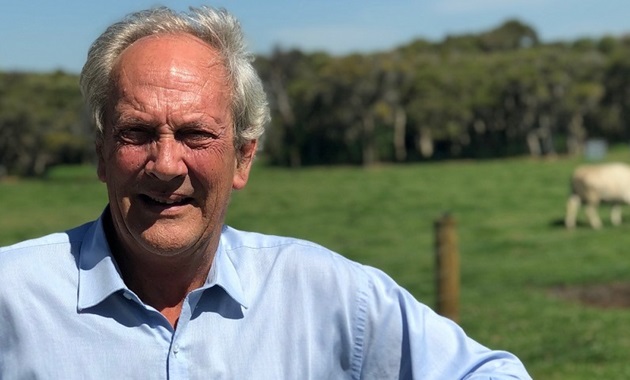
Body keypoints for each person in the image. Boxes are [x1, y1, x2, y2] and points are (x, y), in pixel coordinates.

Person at [0, 6, 531, 379]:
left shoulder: (327, 295)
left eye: (196, 135)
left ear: (243, 157)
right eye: (135, 133)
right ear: (100, 154)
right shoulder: (14, 299)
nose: (165, 165)